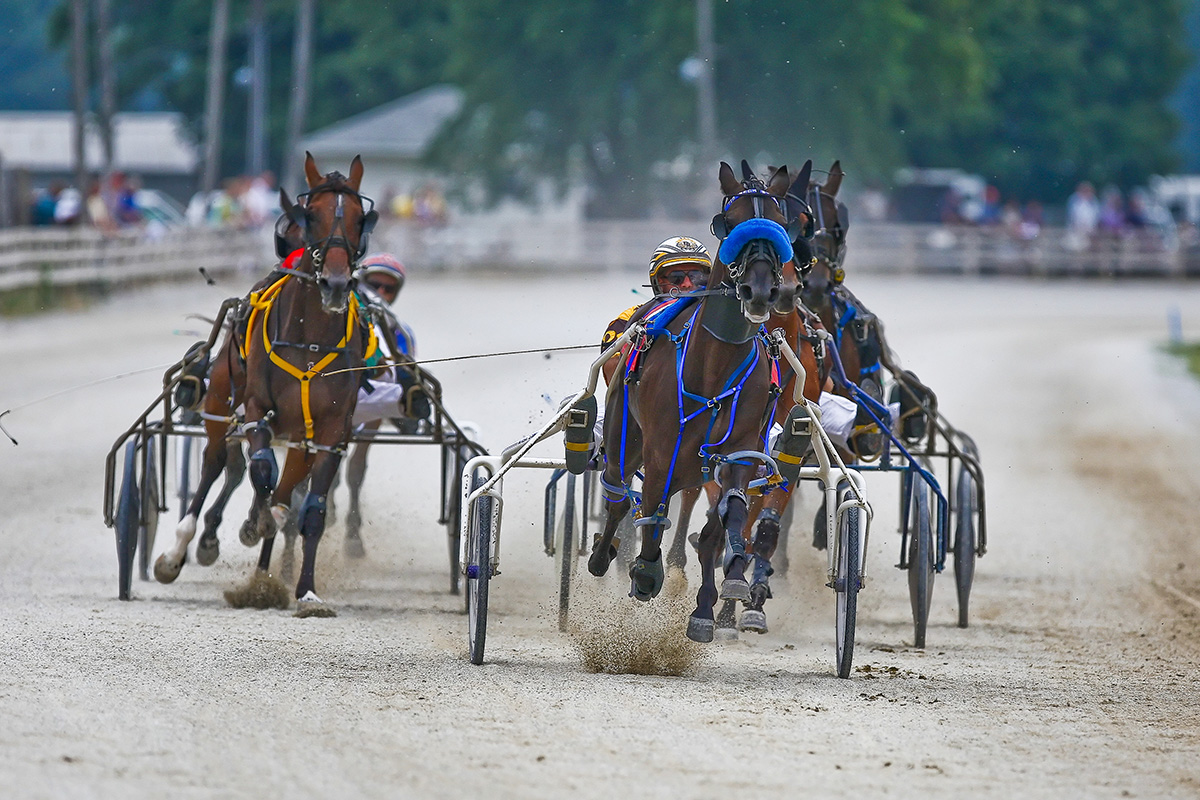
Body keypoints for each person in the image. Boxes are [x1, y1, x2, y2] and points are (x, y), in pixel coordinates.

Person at [599, 236, 712, 384]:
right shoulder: (628, 319)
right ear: (659, 281)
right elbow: (612, 374)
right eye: (676, 277)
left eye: (696, 276)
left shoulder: (723, 317)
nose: (687, 284)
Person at [350, 253, 429, 429]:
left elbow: (402, 372)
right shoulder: (340, 317)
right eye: (374, 285)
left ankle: (361, 452)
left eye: (388, 288)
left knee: (385, 385)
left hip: (373, 393)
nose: (380, 292)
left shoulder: (400, 331)